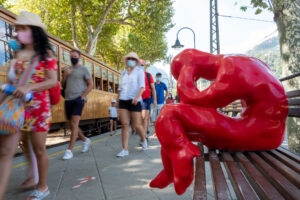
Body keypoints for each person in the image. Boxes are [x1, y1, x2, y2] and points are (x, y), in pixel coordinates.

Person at [0, 11, 57, 200]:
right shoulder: (17, 53)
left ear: (35, 31)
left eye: (23, 28)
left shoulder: (46, 54)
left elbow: (52, 81)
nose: (19, 32)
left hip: (38, 108)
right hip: (16, 109)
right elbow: (12, 81)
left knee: (39, 149)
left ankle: (42, 186)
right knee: (5, 151)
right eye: (18, 29)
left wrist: (29, 87)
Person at [61, 49, 93, 160]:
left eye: (75, 56)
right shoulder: (67, 70)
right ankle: (85, 140)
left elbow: (90, 84)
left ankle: (69, 150)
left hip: (78, 100)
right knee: (71, 125)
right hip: (68, 100)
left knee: (74, 123)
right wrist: (65, 76)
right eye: (71, 56)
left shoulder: (84, 69)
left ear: (79, 57)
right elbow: (62, 84)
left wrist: (83, 97)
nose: (73, 58)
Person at [116, 52, 147, 157]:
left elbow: (142, 87)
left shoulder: (139, 72)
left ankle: (143, 139)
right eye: (129, 58)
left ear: (136, 61)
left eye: (133, 59)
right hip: (123, 100)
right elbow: (120, 88)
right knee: (124, 124)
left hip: (135, 100)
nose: (130, 60)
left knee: (136, 124)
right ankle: (124, 149)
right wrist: (117, 101)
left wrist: (137, 97)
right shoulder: (123, 73)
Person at [140, 60, 157, 137]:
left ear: (144, 66)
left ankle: (144, 137)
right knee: (141, 118)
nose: (140, 66)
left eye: (141, 65)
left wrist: (155, 100)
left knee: (144, 117)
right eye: (139, 65)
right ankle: (145, 131)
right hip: (137, 99)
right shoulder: (135, 76)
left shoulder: (148, 75)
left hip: (146, 98)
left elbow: (153, 88)